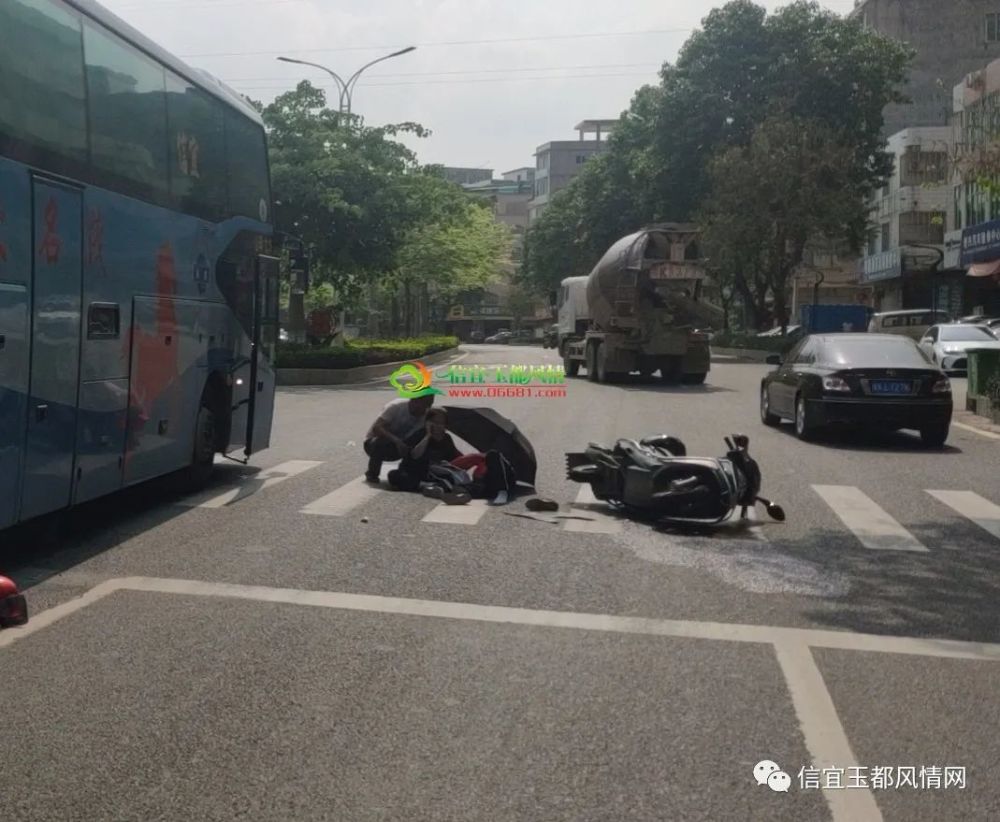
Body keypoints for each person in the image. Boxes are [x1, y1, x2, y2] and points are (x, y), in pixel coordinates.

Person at [364, 395, 435, 483]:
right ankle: (372, 473)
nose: (423, 411)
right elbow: (377, 428)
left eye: (427, 406)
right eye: (422, 406)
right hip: (375, 444)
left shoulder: (426, 415)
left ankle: (408, 473)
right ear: (413, 401)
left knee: (424, 435)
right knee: (381, 441)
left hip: (402, 447)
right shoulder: (396, 406)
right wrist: (396, 441)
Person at [388, 408, 461, 492]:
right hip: (413, 472)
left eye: (441, 423)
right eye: (434, 422)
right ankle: (425, 486)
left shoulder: (447, 438)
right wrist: (428, 436)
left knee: (450, 479)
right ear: (427, 423)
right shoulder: (420, 434)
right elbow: (415, 455)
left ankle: (433, 487)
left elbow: (453, 459)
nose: (438, 425)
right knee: (394, 475)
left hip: (433, 474)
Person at [451, 450, 518, 506]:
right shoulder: (479, 459)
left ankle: (502, 492)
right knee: (462, 487)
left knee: (493, 454)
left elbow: (468, 459)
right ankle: (459, 494)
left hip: (501, 482)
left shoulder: (497, 459)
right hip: (484, 486)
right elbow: (464, 460)